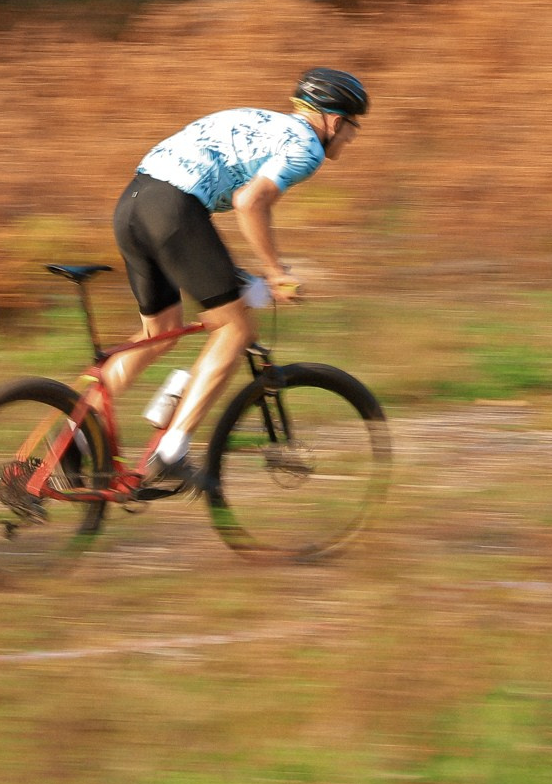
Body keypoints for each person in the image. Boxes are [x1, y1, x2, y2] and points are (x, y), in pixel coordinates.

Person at [101, 68, 369, 489]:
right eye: (353, 127)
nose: (352, 138)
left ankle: (76, 434)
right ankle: (171, 450)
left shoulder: (261, 120)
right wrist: (277, 274)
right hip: (174, 210)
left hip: (133, 203)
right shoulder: (306, 148)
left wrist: (244, 276)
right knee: (235, 328)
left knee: (161, 332)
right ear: (335, 121)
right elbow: (250, 201)